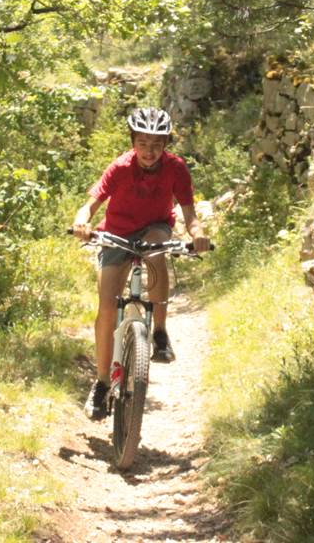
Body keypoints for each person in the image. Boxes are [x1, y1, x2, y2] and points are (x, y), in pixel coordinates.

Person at [71, 107, 211, 421]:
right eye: (143, 144)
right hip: (116, 233)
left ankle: (159, 332)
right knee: (107, 307)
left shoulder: (176, 168)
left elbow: (189, 213)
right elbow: (91, 204)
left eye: (156, 145)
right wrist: (81, 222)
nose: (149, 152)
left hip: (155, 227)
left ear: (166, 145)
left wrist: (198, 234)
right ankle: (102, 383)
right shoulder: (120, 167)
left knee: (156, 251)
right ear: (133, 142)